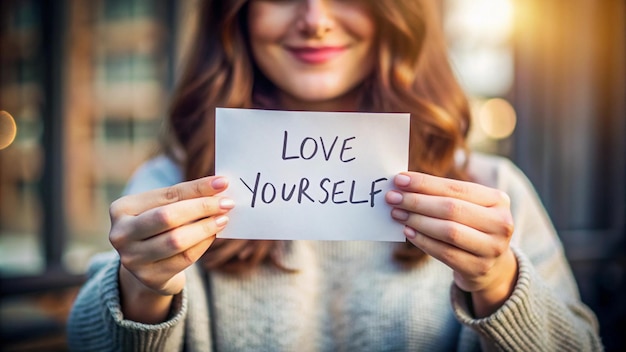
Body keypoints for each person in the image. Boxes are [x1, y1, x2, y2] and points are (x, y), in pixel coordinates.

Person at [67, 0, 603, 351]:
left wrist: (496, 284)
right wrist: (140, 289)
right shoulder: (169, 186)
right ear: (238, 15)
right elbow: (86, 341)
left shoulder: (490, 191)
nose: (315, 18)